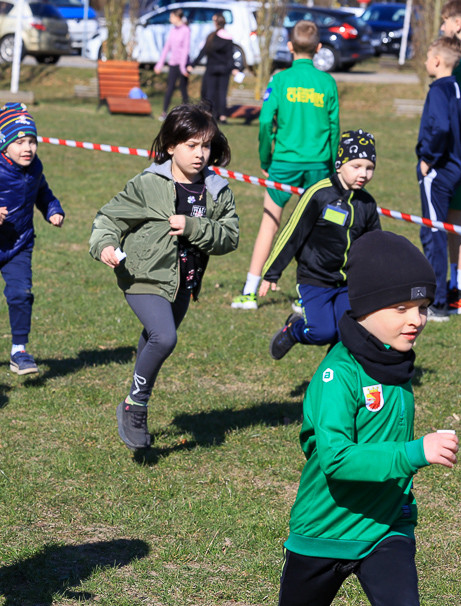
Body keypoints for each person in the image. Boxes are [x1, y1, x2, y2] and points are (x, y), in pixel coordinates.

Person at [218, 230, 458, 606]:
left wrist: (402, 501)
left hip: (386, 528)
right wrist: (414, 452)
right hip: (323, 533)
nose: (417, 320)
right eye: (402, 308)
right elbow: (337, 459)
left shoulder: (396, 365)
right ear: (364, 308)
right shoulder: (337, 375)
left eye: (423, 308)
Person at [89, 104, 239, 450]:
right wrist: (106, 245)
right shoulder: (148, 183)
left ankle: (130, 402)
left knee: (153, 339)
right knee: (164, 337)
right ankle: (136, 408)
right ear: (171, 146)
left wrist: (193, 227)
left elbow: (230, 237)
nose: (200, 154)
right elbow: (109, 218)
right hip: (142, 275)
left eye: (206, 145)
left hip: (183, 284)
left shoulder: (216, 190)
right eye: (191, 145)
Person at [231, 20, 339, 311]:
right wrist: (332, 169)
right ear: (318, 49)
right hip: (318, 164)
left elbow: (265, 122)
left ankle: (250, 291)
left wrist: (266, 158)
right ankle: (309, 297)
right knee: (316, 230)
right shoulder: (328, 82)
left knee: (270, 222)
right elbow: (334, 128)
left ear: (290, 47)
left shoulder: (279, 80)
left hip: (284, 162)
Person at [0, 102, 64, 375]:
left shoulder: (34, 169)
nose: (27, 148)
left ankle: (19, 350)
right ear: (5, 145)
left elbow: (43, 193)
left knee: (21, 294)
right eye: (20, 142)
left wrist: (53, 210)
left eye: (32, 141)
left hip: (19, 245)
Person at [263, 130, 381, 360]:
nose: (363, 174)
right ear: (339, 164)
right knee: (322, 332)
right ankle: (294, 330)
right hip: (315, 278)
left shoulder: (367, 203)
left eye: (369, 168)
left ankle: (333, 377)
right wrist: (272, 272)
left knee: (348, 332)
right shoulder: (318, 194)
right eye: (356, 166)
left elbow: (375, 244)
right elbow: (292, 233)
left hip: (348, 282)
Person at [417, 36, 461, 321]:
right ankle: (441, 294)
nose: (426, 62)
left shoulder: (439, 90)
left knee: (433, 232)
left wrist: (428, 158)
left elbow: (442, 127)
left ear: (437, 61)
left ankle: (436, 302)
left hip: (437, 172)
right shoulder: (458, 90)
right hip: (455, 169)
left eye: (427, 57)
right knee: (441, 230)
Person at [439, 1, 461, 312]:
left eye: (445, 22)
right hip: (457, 151)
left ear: (458, 25)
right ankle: (456, 284)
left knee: (460, 217)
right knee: (453, 217)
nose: (443, 28)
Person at [193, 13, 237, 123]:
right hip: (224, 69)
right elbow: (230, 56)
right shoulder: (228, 37)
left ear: (216, 23)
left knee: (209, 92)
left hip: (211, 68)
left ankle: (209, 114)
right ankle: (222, 116)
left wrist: (192, 64)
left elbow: (203, 52)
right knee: (222, 92)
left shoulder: (211, 37)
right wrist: (234, 68)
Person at [154, 9, 192, 121]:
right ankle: (164, 112)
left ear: (178, 17)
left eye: (171, 17)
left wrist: (183, 67)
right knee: (169, 88)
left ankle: (188, 114)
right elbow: (167, 47)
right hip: (173, 63)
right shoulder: (173, 30)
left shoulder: (186, 30)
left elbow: (185, 49)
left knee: (183, 89)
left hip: (183, 64)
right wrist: (159, 65)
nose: (170, 19)